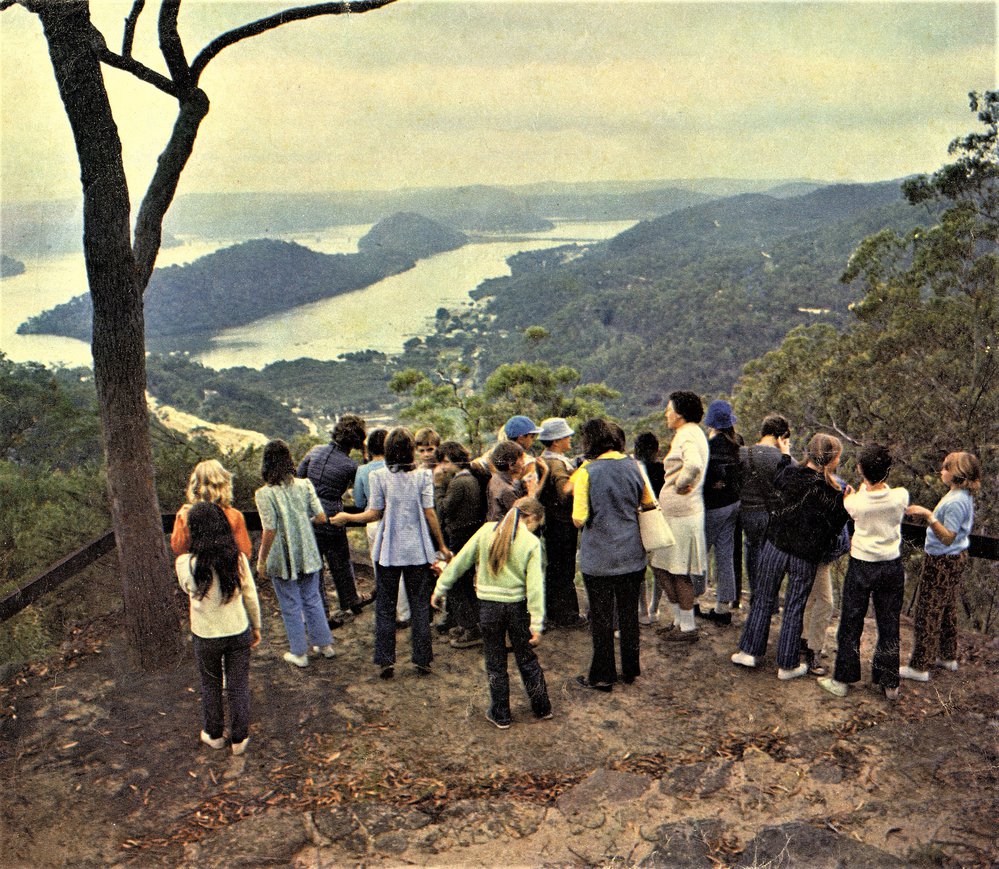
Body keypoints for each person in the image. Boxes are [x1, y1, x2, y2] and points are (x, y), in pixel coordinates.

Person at [332, 427, 451, 679]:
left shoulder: (378, 477)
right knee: (420, 606)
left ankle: (386, 661)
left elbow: (374, 513)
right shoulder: (422, 477)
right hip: (417, 550)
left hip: (388, 550)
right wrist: (440, 545)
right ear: (410, 450)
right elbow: (430, 513)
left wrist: (346, 517)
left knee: (385, 606)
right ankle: (423, 659)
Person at [731, 433, 850, 680]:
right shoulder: (834, 493)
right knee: (795, 607)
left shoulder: (791, 474)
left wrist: (786, 453)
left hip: (775, 546)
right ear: (833, 459)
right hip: (804, 556)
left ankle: (750, 651)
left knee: (763, 597)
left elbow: (779, 475)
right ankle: (787, 664)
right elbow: (836, 527)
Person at [432, 497, 552, 728]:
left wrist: (440, 588)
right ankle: (542, 707)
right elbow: (535, 587)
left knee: (495, 662)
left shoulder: (486, 531)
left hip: (488, 608)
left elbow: (459, 562)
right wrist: (536, 624)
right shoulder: (531, 542)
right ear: (531, 518)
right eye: (538, 523)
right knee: (526, 658)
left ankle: (501, 714)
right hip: (517, 607)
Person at [572, 418, 657, 691]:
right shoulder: (635, 466)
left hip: (598, 557)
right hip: (632, 553)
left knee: (601, 618)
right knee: (629, 614)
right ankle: (631, 670)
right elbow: (648, 503)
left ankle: (602, 675)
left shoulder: (587, 472)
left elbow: (578, 518)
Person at [819, 445, 909, 700]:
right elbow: (889, 497)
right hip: (891, 565)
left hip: (861, 565)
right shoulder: (900, 496)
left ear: (860, 470)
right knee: (889, 624)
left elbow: (852, 502)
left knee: (851, 623)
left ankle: (843, 679)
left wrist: (858, 491)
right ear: (888, 471)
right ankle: (889, 682)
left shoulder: (855, 503)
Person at [177, 502, 261, 756]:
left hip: (206, 634)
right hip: (237, 629)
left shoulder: (185, 563)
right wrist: (256, 626)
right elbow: (251, 597)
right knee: (238, 684)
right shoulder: (237, 559)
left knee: (210, 683)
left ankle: (214, 734)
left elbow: (187, 589)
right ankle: (239, 738)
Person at [899, 451, 980, 682]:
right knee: (945, 608)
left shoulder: (955, 502)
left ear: (957, 474)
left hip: (943, 560)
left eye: (945, 468)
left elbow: (947, 537)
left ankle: (920, 666)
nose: (941, 471)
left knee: (928, 610)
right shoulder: (960, 495)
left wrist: (928, 516)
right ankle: (947, 655)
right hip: (953, 558)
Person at [255, 440, 336, 668]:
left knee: (290, 603)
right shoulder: (305, 485)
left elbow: (269, 529)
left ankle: (299, 652)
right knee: (312, 598)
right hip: (308, 551)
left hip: (282, 556)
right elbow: (321, 517)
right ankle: (325, 644)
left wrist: (261, 561)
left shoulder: (264, 494)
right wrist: (302, 523)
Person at [297, 414, 369, 620]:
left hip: (308, 515)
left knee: (315, 567)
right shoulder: (350, 466)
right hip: (333, 516)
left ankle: (322, 613)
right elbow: (360, 495)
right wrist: (364, 456)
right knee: (341, 560)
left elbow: (298, 478)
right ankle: (351, 600)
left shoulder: (315, 451)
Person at [651, 391, 709, 642]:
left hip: (681, 514)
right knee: (665, 566)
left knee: (676, 570)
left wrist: (681, 483)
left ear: (680, 413)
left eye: (669, 408)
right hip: (681, 513)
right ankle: (679, 621)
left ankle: (687, 627)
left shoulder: (686, 434)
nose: (666, 413)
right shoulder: (692, 433)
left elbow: (693, 464)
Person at [434, 441, 485, 648]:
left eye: (446, 462)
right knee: (463, 582)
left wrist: (438, 487)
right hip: (469, 535)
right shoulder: (471, 479)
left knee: (456, 583)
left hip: (459, 536)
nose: (443, 467)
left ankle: (471, 628)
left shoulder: (458, 483)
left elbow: (442, 510)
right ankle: (469, 625)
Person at [356, 429, 410, 628]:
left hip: (374, 523)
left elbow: (360, 500)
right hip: (398, 521)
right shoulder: (400, 469)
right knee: (402, 569)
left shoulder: (364, 471)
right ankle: (404, 613)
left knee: (381, 570)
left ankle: (388, 611)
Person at [738, 414, 793, 608]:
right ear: (781, 436)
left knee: (752, 553)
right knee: (772, 558)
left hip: (748, 513)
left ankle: (756, 598)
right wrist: (786, 454)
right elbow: (793, 480)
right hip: (772, 515)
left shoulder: (743, 453)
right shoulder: (782, 458)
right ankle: (770, 601)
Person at [537, 417, 586, 629]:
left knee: (556, 568)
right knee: (564, 569)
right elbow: (565, 492)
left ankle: (555, 612)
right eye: (566, 437)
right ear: (556, 441)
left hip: (552, 521)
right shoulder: (556, 464)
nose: (570, 440)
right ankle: (567, 615)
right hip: (561, 522)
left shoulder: (548, 459)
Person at [698, 400, 743, 626]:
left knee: (700, 553)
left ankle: (694, 599)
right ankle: (723, 607)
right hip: (733, 504)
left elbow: (703, 479)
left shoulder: (710, 446)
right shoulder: (737, 443)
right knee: (725, 555)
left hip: (714, 507)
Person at [171, 459, 252, 559]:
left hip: (197, 571)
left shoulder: (184, 514)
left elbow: (178, 549)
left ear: (195, 485)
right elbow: (245, 551)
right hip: (227, 570)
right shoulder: (235, 516)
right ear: (224, 485)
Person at [634, 432, 666, 624]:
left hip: (638, 521)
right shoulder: (662, 469)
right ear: (656, 450)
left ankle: (643, 610)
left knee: (639, 569)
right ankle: (654, 608)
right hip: (657, 520)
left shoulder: (634, 469)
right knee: (658, 568)